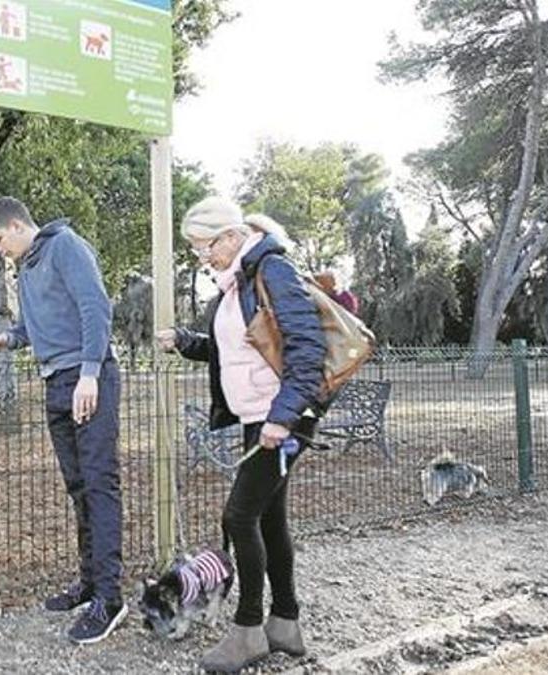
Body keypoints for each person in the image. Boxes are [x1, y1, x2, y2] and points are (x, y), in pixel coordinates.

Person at [154, 197, 326, 673]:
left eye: (204, 246)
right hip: (262, 416)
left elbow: (306, 346)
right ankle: (285, 624)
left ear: (230, 236)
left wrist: (283, 417)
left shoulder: (272, 271)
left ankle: (249, 630)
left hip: (282, 419)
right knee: (268, 518)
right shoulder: (239, 285)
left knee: (238, 516)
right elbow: (233, 352)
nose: (202, 257)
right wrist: (186, 343)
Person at [0, 197, 127, 645]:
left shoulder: (65, 246)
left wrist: (90, 374)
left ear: (16, 225)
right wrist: (5, 339)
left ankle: (111, 599)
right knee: (78, 487)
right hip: (55, 381)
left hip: (86, 378)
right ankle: (91, 584)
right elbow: (35, 326)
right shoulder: (28, 267)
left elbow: (95, 309)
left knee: (99, 484)